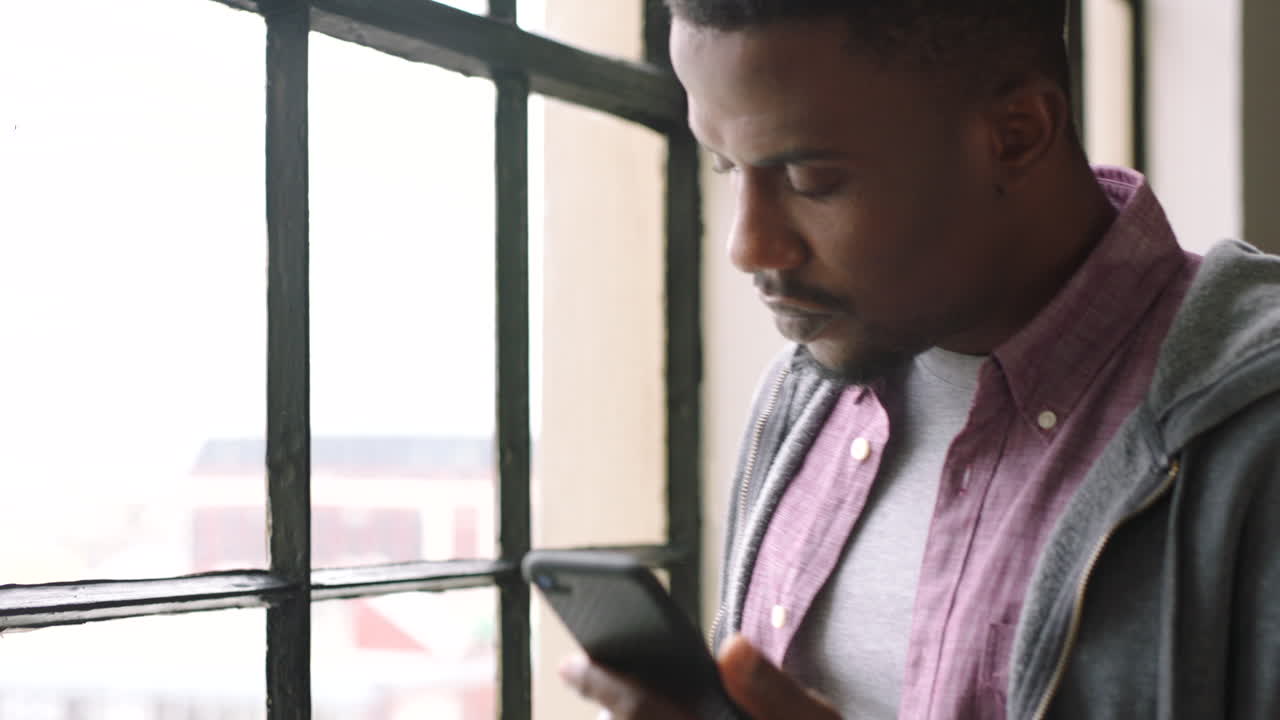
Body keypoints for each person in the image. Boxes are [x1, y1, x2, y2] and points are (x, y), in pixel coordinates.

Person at [559, 1, 1280, 718]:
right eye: (723, 165)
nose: (747, 247)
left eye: (813, 179)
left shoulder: (1256, 426)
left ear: (1016, 136)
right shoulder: (801, 399)